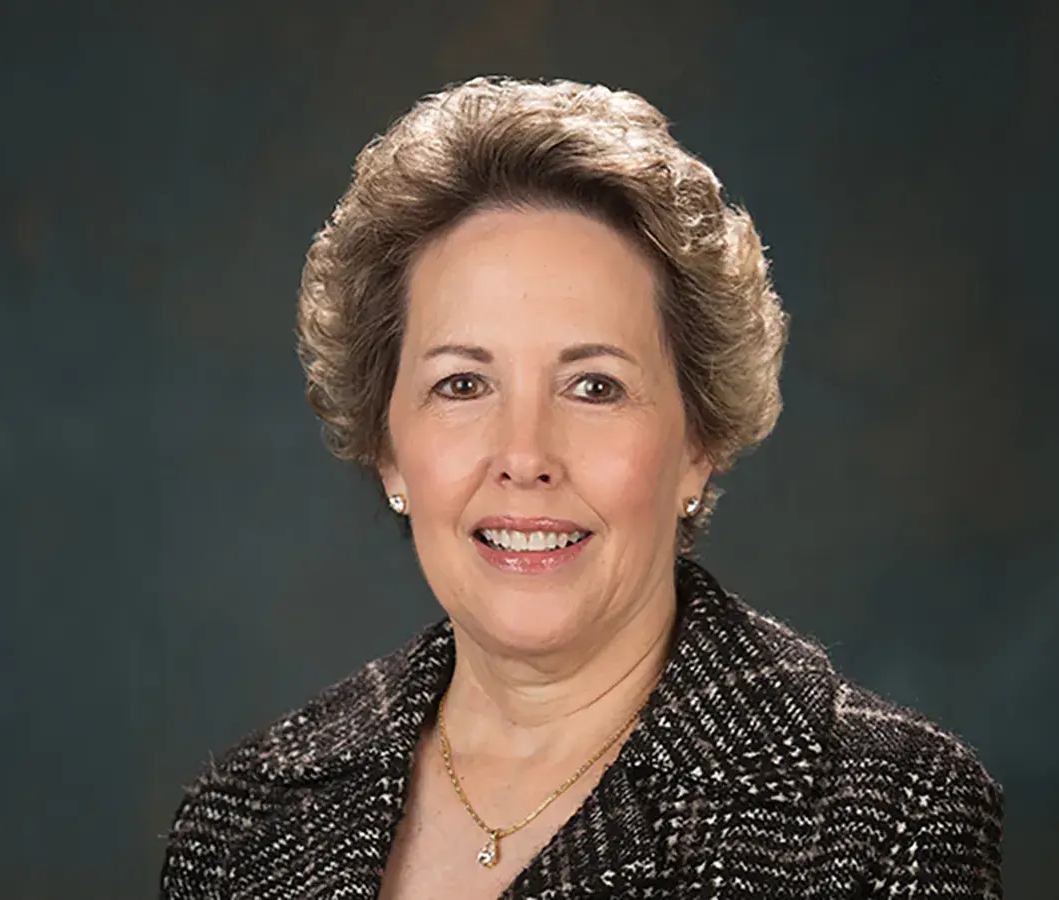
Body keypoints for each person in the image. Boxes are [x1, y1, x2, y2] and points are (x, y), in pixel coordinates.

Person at [160, 76, 1003, 899]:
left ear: (700, 440)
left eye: (594, 386)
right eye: (462, 385)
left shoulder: (886, 821)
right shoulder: (245, 822)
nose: (525, 456)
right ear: (388, 450)